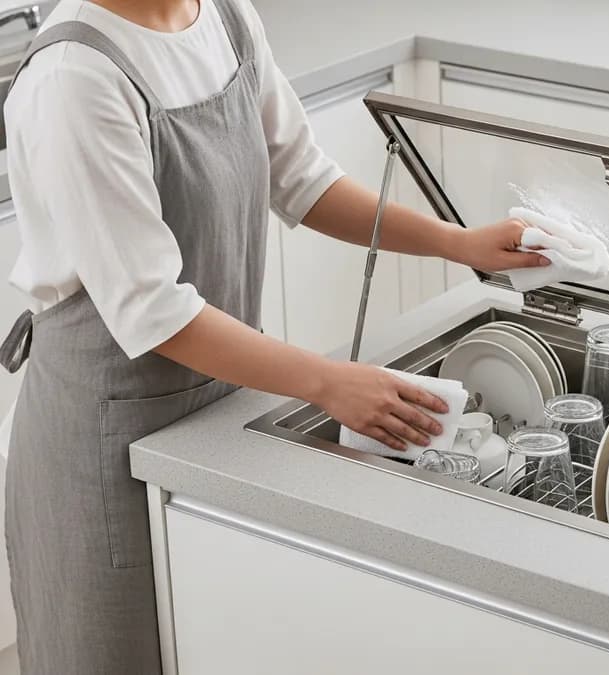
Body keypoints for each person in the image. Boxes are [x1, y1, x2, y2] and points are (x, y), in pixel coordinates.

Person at [0, 0, 549, 672]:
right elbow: (153, 309)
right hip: (103, 450)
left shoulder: (226, 18)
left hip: (224, 410)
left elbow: (304, 180)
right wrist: (328, 381)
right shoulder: (74, 76)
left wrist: (457, 242)